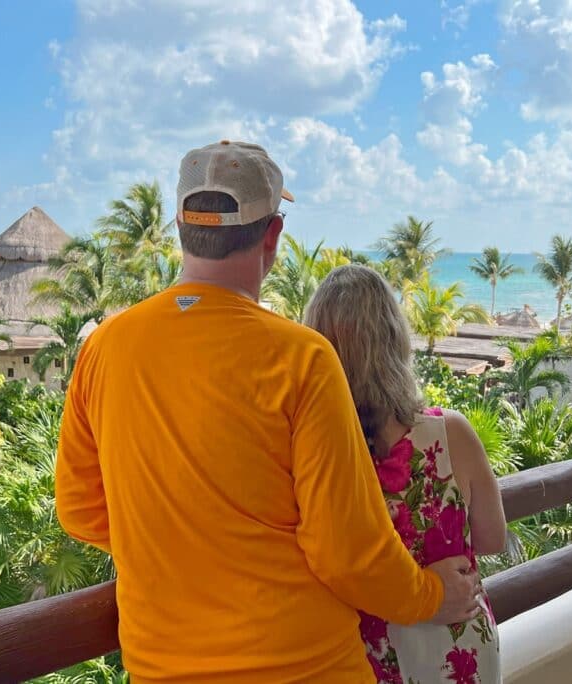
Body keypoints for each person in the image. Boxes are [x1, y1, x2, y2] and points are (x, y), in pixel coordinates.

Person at [55, 140, 480, 683]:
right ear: (273, 236)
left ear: (181, 229)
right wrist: (433, 595)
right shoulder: (301, 358)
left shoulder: (105, 348)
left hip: (160, 670)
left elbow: (80, 509)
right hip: (305, 669)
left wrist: (187, 537)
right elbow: (348, 553)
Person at [304, 264, 507, 684]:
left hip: (367, 652)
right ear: (395, 339)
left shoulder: (314, 452)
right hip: (457, 643)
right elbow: (491, 538)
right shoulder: (450, 433)